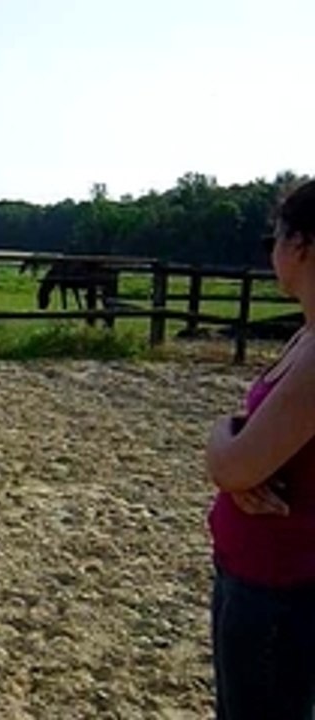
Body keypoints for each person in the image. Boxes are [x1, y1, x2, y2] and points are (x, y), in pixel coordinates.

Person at [205, 179, 315, 719]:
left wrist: (226, 435)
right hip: (258, 578)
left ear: (302, 246)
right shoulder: (305, 336)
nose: (271, 251)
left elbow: (231, 463)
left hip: (278, 592)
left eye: (276, 237)